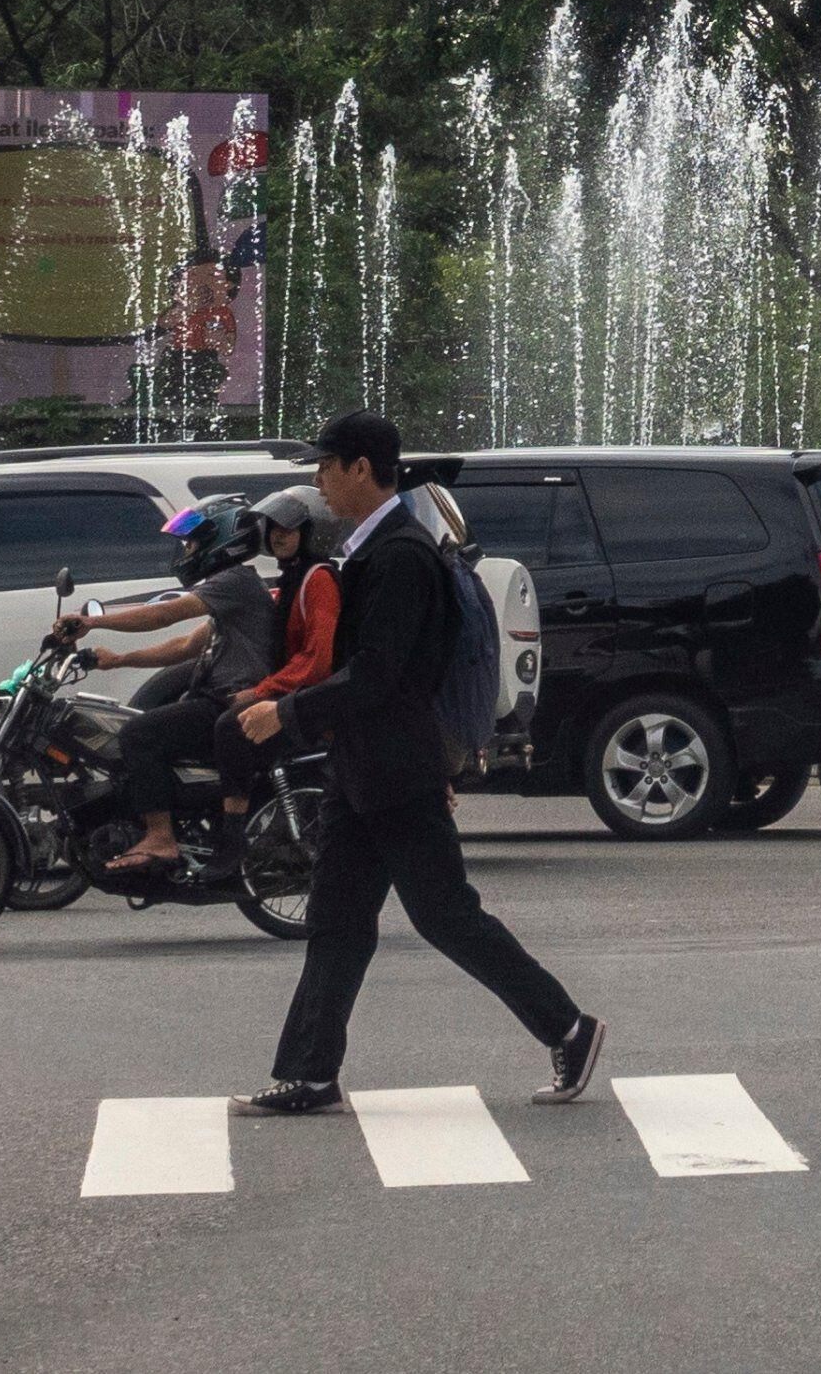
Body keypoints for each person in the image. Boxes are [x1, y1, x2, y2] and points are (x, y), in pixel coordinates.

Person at [236, 414, 602, 1119]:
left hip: (395, 768)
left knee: (446, 917)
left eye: (327, 465)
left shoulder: (402, 556)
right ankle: (310, 1074)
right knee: (338, 919)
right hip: (365, 767)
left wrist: (287, 713)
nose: (318, 479)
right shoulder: (375, 550)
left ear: (365, 468)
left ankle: (568, 1027)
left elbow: (380, 675)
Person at [80, 494, 287, 884]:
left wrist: (94, 621)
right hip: (216, 699)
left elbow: (163, 614)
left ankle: (161, 837)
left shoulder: (235, 582)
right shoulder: (231, 592)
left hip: (234, 702)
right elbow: (184, 646)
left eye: (192, 542)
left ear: (221, 538)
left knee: (139, 735)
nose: (187, 550)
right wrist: (120, 660)